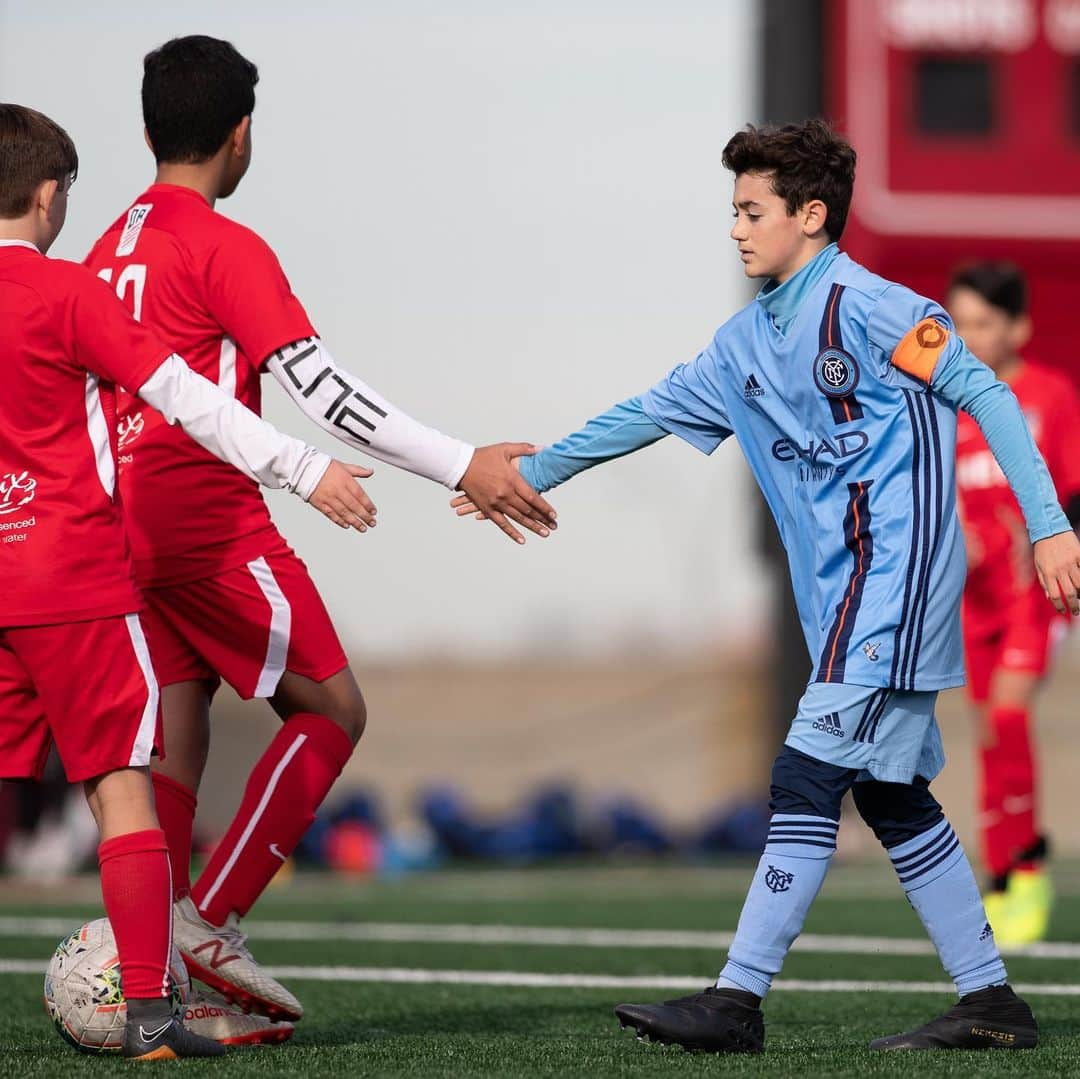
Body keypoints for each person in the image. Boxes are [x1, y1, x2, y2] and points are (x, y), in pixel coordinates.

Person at [454, 119, 1080, 1053]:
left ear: (812, 216)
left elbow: (983, 391)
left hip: (897, 580)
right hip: (843, 601)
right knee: (892, 794)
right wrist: (531, 472)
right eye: (734, 212)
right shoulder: (741, 344)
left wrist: (1050, 524)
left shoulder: (873, 309)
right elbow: (644, 413)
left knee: (804, 774)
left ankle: (736, 998)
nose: (738, 229)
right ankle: (991, 1000)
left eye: (753, 211)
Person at [84, 34, 558, 1028]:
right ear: (241, 134)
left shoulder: (105, 246)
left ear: (145, 128)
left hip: (125, 519)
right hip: (209, 517)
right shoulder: (222, 244)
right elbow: (325, 391)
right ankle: (209, 919)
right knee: (333, 707)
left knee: (179, 732)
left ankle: (154, 969)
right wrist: (459, 459)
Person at [0, 103, 372, 1059]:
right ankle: (157, 1018)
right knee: (125, 792)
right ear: (48, 197)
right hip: (73, 577)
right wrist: (302, 466)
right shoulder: (67, 291)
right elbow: (184, 395)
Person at [947, 261, 1080, 945]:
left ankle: (1025, 871)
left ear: (1018, 327)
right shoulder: (950, 407)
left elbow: (1074, 488)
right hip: (975, 602)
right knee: (987, 731)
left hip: (1036, 597)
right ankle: (999, 873)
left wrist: (1061, 536)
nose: (966, 336)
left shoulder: (1050, 396)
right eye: (957, 323)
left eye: (980, 323)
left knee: (1008, 710)